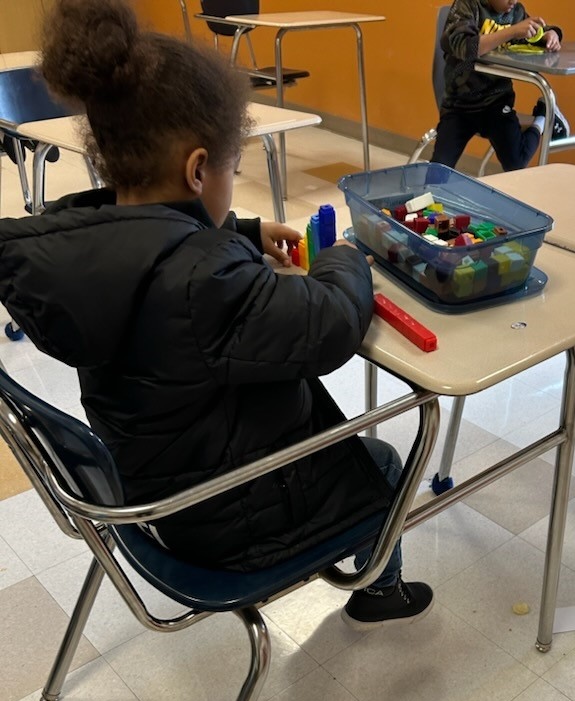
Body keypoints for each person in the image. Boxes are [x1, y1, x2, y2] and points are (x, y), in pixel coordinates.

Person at [0, 0, 433, 630]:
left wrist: (244, 231)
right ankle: (379, 593)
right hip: (226, 517)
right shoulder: (204, 285)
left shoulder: (82, 242)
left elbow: (160, 242)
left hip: (155, 492)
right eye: (233, 168)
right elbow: (331, 322)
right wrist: (345, 259)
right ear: (199, 168)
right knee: (387, 462)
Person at [431, 0, 570, 172]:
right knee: (438, 169)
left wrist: (551, 35)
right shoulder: (467, 6)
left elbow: (535, 32)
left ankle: (543, 114)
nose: (513, 1)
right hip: (459, 105)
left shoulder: (515, 12)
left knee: (516, 162)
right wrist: (512, 32)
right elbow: (465, 47)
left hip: (496, 102)